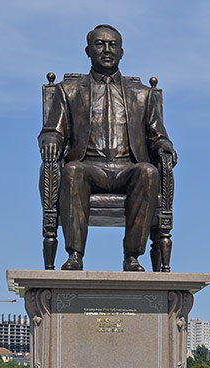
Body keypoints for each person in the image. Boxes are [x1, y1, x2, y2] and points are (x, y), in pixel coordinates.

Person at [39, 24, 176, 272]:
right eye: (100, 44)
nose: (106, 49)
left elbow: (158, 135)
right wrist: (50, 141)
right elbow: (53, 131)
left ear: (121, 52)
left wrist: (165, 146)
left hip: (128, 169)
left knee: (148, 172)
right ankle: (75, 255)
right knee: (72, 171)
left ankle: (132, 256)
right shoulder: (68, 91)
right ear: (88, 50)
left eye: (113, 45)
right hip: (89, 168)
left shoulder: (143, 95)